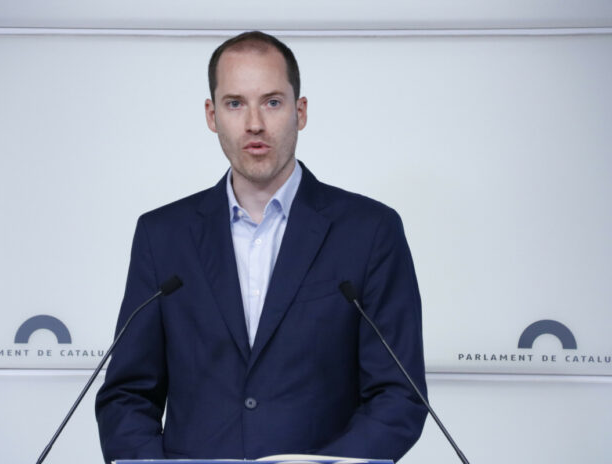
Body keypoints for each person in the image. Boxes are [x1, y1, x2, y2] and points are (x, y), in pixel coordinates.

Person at [96, 31, 427, 463]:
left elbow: (399, 395)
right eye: (235, 103)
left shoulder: (370, 231)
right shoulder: (162, 236)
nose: (254, 123)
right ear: (212, 115)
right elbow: (126, 395)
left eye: (272, 102)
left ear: (300, 111)